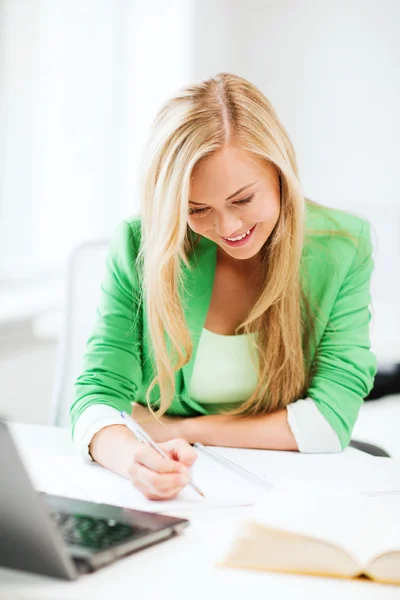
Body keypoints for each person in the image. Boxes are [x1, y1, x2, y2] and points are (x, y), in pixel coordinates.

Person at [71, 73, 376, 500]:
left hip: (285, 496)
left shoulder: (343, 248)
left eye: (243, 200)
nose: (228, 227)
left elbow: (329, 422)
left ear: (280, 174)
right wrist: (132, 459)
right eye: (197, 209)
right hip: (177, 495)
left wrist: (183, 430)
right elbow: (95, 401)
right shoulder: (141, 243)